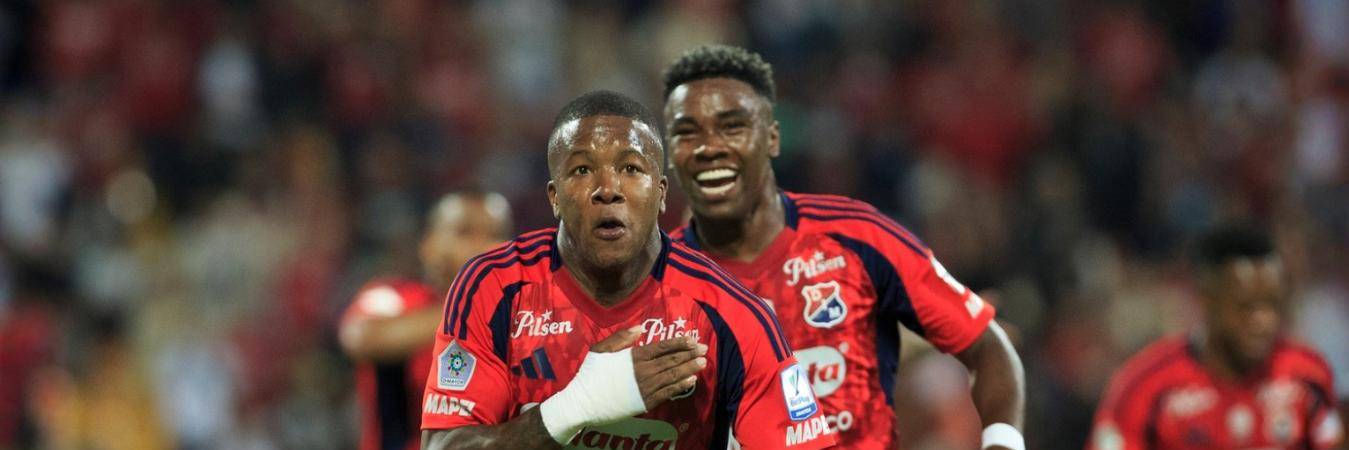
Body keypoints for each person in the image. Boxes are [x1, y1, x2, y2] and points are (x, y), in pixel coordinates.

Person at [419, 90, 837, 449]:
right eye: (582, 170)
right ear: (554, 197)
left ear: (661, 193)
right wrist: (574, 409)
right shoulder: (494, 287)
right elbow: (442, 444)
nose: (608, 190)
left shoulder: (730, 314)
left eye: (631, 168)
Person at [660, 45, 1026, 450]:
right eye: (686, 132)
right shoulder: (656, 284)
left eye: (732, 127)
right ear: (669, 153)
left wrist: (1003, 444)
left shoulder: (858, 238)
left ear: (773, 137)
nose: (709, 147)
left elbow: (988, 346)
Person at [1087, 224, 1344, 450]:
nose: (1264, 322)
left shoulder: (1306, 376)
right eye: (1246, 307)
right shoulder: (1146, 389)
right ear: (1207, 301)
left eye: (1272, 305)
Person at [339, 192, 512, 450]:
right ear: (429, 245)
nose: (483, 246)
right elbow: (362, 337)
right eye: (465, 233)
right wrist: (474, 308)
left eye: (494, 234)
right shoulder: (395, 298)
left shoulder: (525, 317)